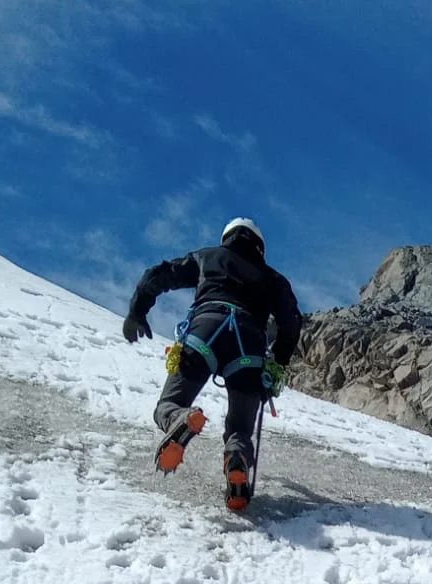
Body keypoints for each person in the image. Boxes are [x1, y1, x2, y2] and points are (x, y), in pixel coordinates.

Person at [122, 217, 302, 512]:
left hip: (206, 332)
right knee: (240, 429)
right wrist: (276, 365)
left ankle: (179, 418)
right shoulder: (274, 279)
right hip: (249, 346)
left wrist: (137, 311)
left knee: (169, 404)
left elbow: (159, 274)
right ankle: (236, 461)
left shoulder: (208, 257)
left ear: (227, 238)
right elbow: (291, 323)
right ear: (260, 247)